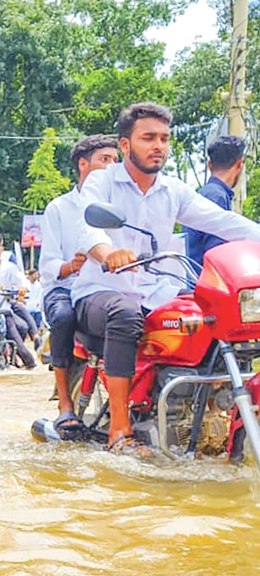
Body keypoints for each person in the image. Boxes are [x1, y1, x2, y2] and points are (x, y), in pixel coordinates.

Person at [72, 102, 260, 455]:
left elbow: (223, 222)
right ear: (125, 145)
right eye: (148, 138)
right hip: (100, 289)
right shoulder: (102, 181)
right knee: (125, 313)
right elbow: (87, 227)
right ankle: (120, 432)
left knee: (208, 317)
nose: (158, 145)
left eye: (164, 138)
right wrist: (107, 252)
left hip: (155, 289)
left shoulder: (173, 190)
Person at [38, 134, 118, 431]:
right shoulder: (59, 208)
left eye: (115, 160)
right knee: (63, 317)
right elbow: (46, 264)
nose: (112, 167)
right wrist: (70, 266)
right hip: (65, 288)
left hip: (105, 288)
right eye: (104, 160)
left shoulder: (120, 203)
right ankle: (64, 403)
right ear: (83, 165)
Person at [184, 135, 248, 267]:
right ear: (239, 165)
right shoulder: (217, 197)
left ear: (210, 165)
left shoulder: (205, 194)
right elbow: (217, 256)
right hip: (203, 283)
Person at [0, 234, 37, 368]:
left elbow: (23, 281)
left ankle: (31, 365)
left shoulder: (9, 268)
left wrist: (22, 290)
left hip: (3, 310)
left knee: (19, 345)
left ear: (2, 249)